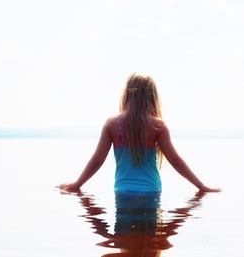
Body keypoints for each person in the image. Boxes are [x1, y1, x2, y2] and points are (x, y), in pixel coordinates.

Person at [59, 73, 220, 194]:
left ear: (127, 95)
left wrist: (77, 184)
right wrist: (201, 186)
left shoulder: (112, 124)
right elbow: (176, 161)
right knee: (152, 239)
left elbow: (97, 160)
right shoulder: (158, 126)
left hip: (123, 191)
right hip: (151, 191)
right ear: (152, 96)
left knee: (122, 239)